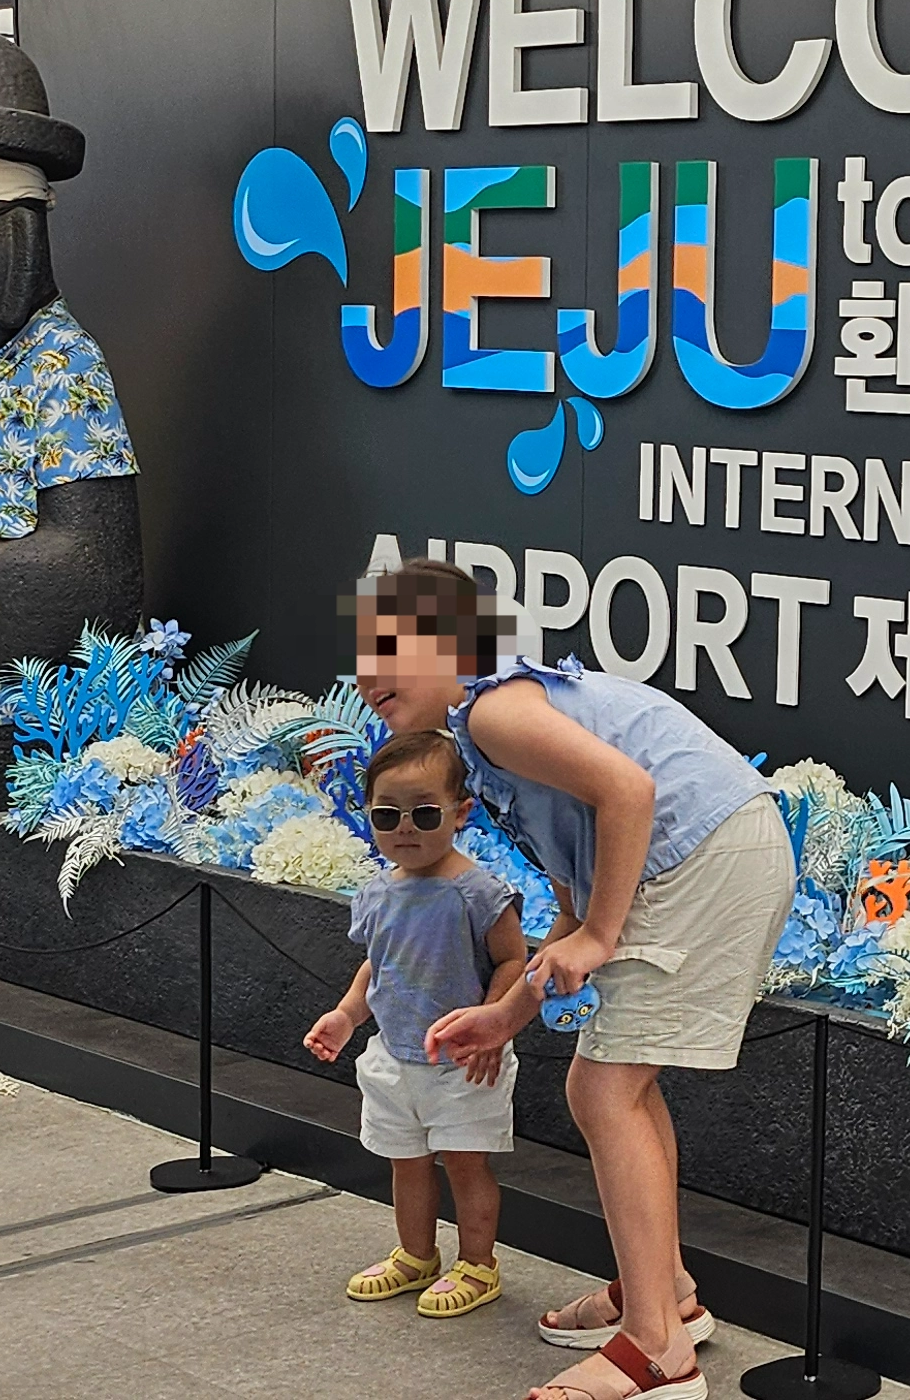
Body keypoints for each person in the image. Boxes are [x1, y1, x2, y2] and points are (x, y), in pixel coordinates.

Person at [357, 559, 793, 1400]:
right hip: (705, 853)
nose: (369, 672)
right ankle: (665, 1299)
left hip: (700, 855)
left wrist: (599, 936)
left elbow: (629, 792)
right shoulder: (487, 736)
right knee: (621, 1086)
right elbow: (573, 896)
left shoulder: (492, 710)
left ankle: (655, 1352)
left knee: (604, 1091)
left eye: (389, 644)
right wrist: (505, 1016)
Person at [304, 728, 526, 1321]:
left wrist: (495, 1025)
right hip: (394, 1056)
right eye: (387, 814)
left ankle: (478, 1264)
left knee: (464, 1162)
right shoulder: (377, 892)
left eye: (425, 814)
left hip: (462, 1062)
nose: (405, 827)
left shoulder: (478, 892)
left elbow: (513, 961)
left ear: (461, 813)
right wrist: (348, 1014)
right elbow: (380, 964)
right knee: (405, 1160)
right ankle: (416, 1254)